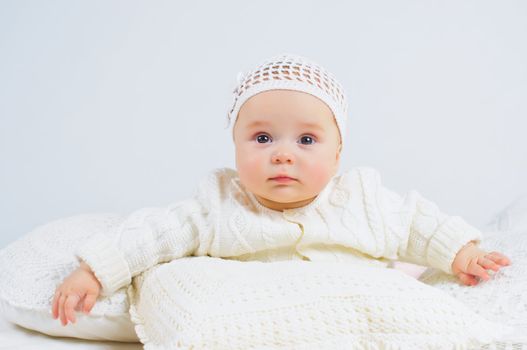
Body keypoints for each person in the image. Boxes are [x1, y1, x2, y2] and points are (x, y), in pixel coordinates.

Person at [52, 53, 511, 326]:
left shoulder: (363, 199)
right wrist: (96, 272)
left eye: (307, 140)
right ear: (234, 147)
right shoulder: (217, 204)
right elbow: (152, 234)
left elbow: (416, 222)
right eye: (262, 138)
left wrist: (461, 253)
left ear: (337, 153)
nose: (283, 154)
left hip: (350, 313)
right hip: (260, 317)